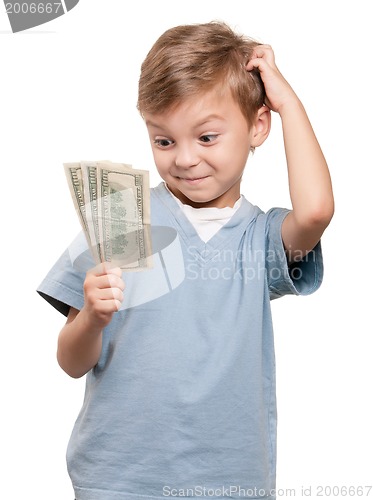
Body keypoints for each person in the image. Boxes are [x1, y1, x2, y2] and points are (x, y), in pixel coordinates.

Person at [37, 21, 334, 500]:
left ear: (258, 126)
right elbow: (70, 362)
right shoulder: (122, 215)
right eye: (164, 140)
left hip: (229, 483)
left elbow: (317, 211)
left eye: (207, 137)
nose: (185, 159)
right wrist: (91, 318)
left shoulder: (260, 238)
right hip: (119, 480)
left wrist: (288, 103)